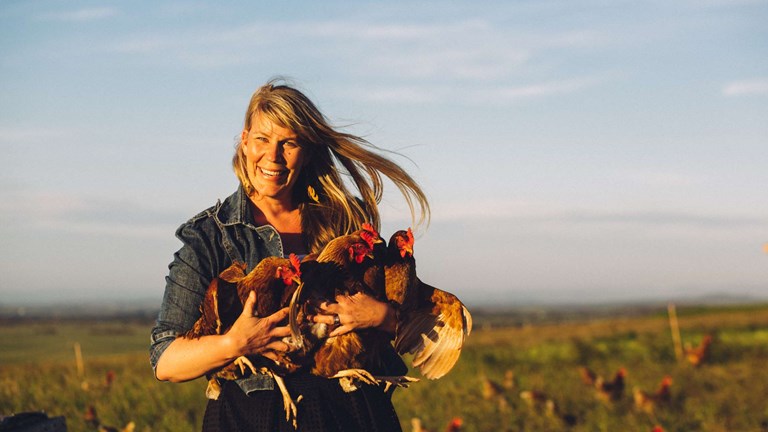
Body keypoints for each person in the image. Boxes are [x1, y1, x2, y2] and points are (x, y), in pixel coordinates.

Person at [150, 78, 430, 431]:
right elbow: (165, 361)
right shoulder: (210, 237)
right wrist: (237, 342)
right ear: (244, 141)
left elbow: (415, 327)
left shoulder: (347, 221)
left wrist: (383, 316)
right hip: (251, 417)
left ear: (308, 151)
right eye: (263, 140)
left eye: (289, 143)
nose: (273, 156)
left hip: (351, 411)